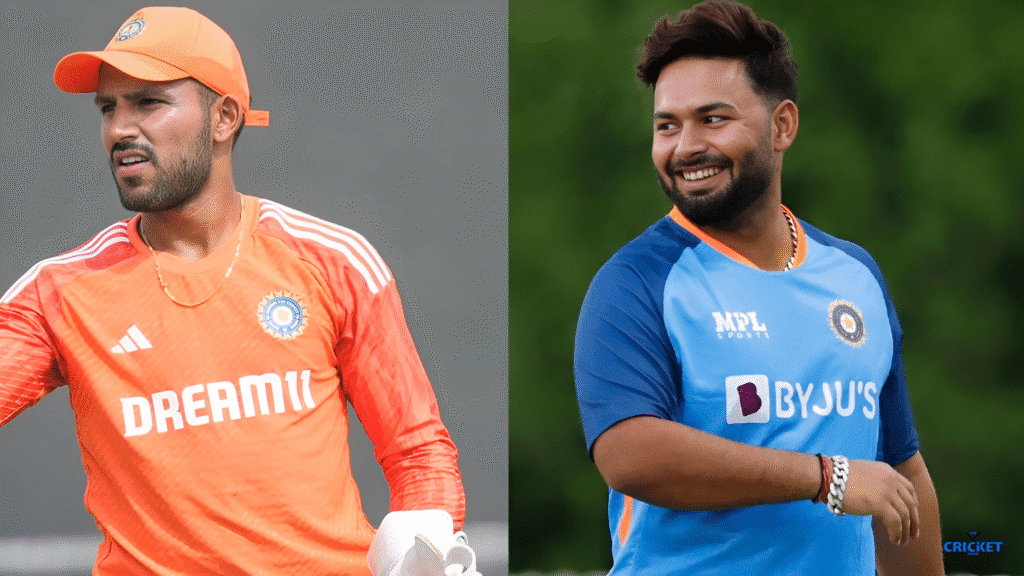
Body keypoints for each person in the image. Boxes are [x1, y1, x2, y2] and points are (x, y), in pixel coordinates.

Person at [0, 6, 474, 575]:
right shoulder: (60, 291)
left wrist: (429, 548)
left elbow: (419, 457)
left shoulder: (332, 260)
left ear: (223, 117)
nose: (120, 128)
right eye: (109, 107)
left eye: (148, 102)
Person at [573, 1, 944, 574]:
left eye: (713, 119)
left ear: (783, 126)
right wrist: (827, 478)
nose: (685, 146)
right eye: (666, 125)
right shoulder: (635, 282)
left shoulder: (855, 275)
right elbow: (630, 454)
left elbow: (899, 474)